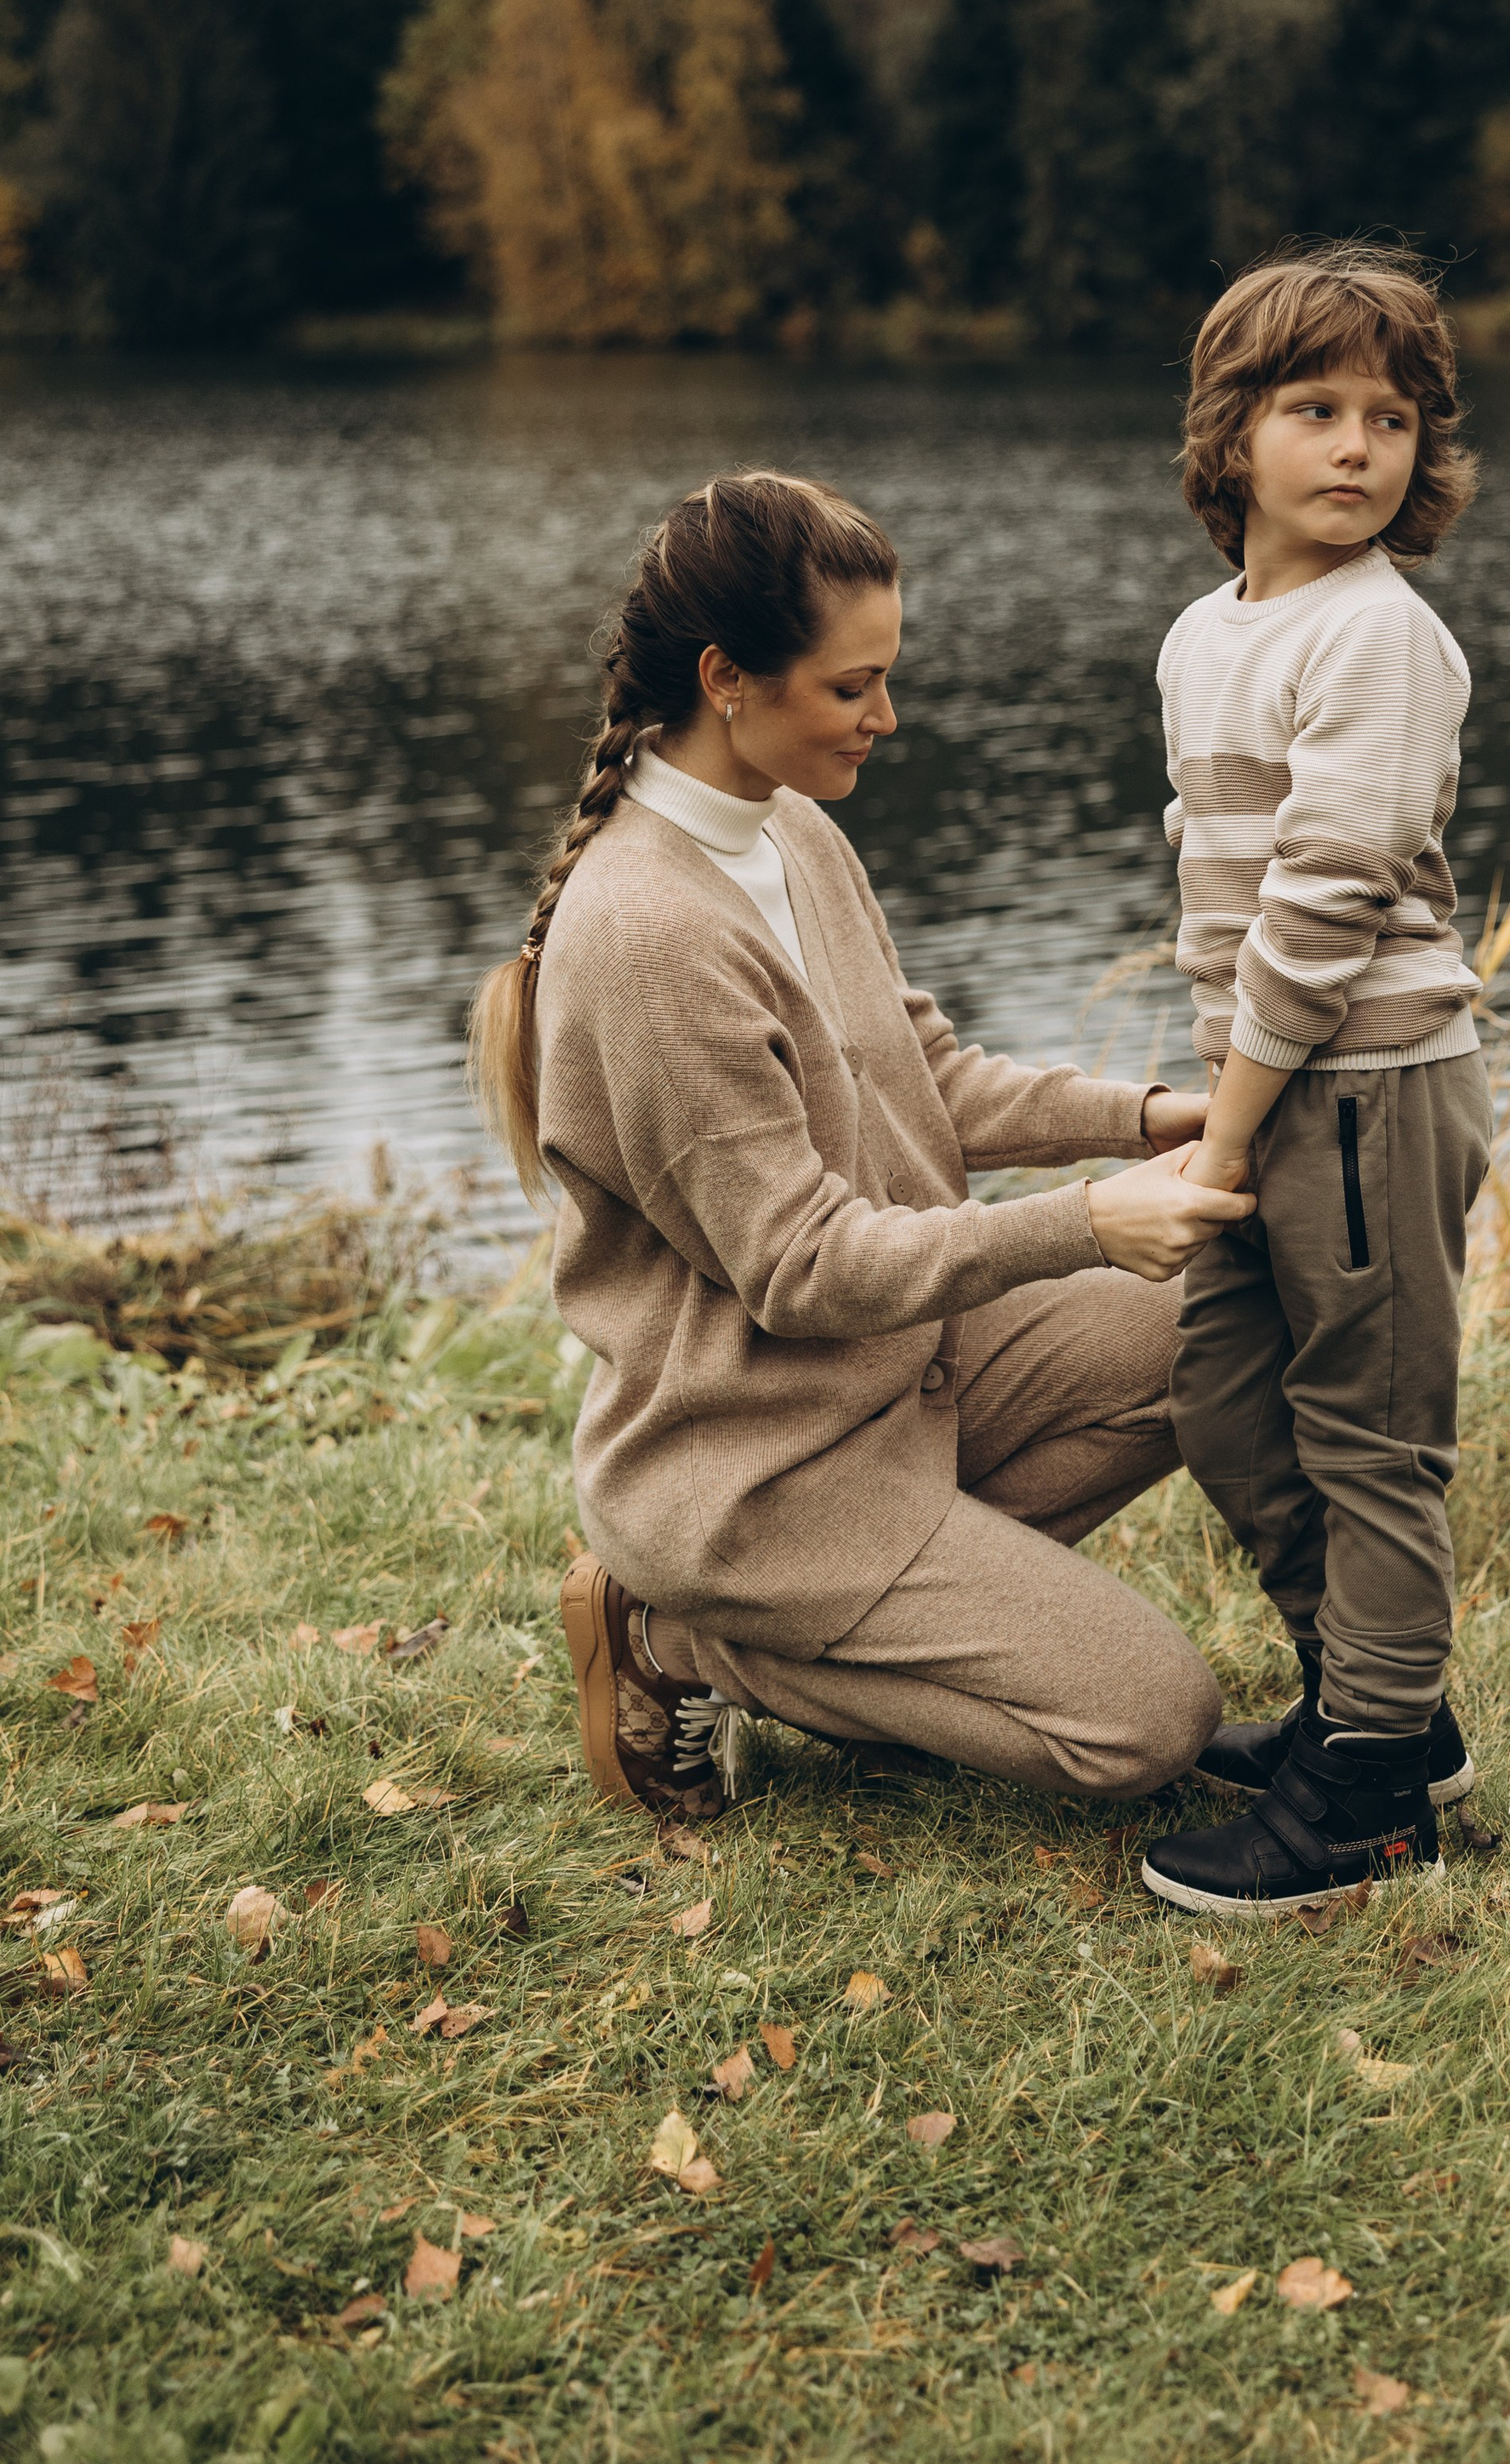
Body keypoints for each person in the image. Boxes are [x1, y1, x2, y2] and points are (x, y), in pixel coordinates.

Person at [468, 471, 1252, 1818]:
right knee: (1149, 1727)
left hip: (903, 1381)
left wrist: (1146, 1117)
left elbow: (927, 1083)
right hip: (759, 1465)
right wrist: (1085, 1221)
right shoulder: (653, 935)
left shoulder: (795, 835)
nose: (886, 717)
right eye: (852, 687)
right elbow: (801, 1269)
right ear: (727, 677)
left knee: (1217, 1315)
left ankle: (922, 1638)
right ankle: (682, 1640)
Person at [1137, 246, 1494, 1919]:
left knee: (1368, 1442)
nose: (1358, 447)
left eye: (1391, 416)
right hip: (1266, 1082)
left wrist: (1237, 1103)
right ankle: (1376, 1709)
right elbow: (1213, 871)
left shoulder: (1381, 637)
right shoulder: (1209, 634)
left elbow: (1325, 892)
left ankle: (1362, 1805)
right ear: (1233, 436)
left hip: (1360, 1086)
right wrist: (1225, 1089)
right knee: (1219, 1392)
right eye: (1314, 409)